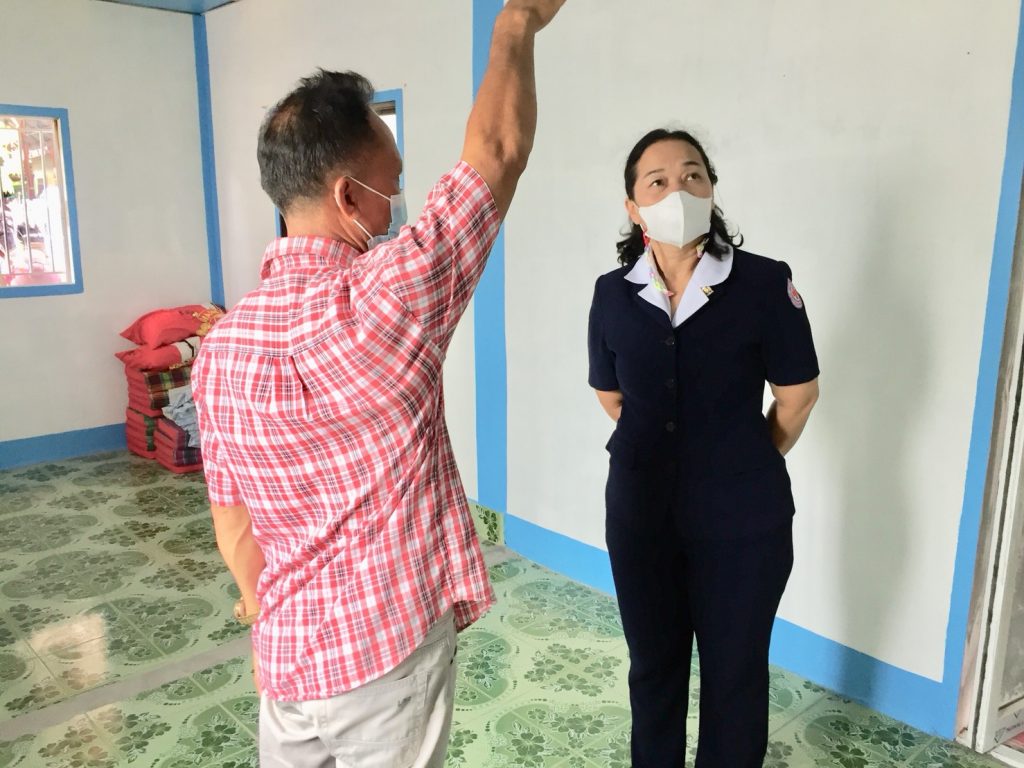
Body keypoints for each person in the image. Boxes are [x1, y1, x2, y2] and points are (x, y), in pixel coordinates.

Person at [190, 2, 567, 765]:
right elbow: (497, 151)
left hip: (287, 666)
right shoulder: (390, 297)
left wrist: (265, 615)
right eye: (392, 186)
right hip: (386, 658)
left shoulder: (220, 350)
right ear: (347, 197)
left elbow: (233, 523)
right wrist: (517, 21)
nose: (397, 205)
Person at [587, 128, 820, 768]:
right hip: (641, 515)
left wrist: (744, 461)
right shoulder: (613, 293)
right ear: (633, 206)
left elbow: (798, 396)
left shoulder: (764, 283)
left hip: (743, 520)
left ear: (712, 189)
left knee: (734, 674)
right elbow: (610, 394)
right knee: (653, 668)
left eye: (693, 175)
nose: (679, 190)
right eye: (658, 181)